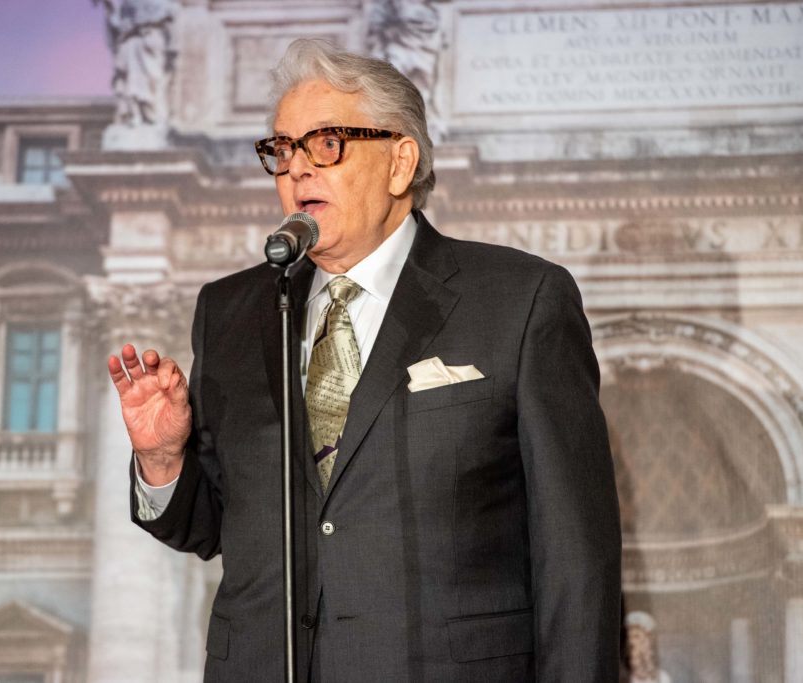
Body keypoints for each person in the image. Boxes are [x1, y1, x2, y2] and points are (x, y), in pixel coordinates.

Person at [107, 38, 622, 682]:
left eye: (327, 144)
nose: (297, 170)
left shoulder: (519, 300)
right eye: (283, 150)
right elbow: (214, 528)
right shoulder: (231, 311)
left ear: (400, 163)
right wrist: (162, 460)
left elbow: (576, 556)